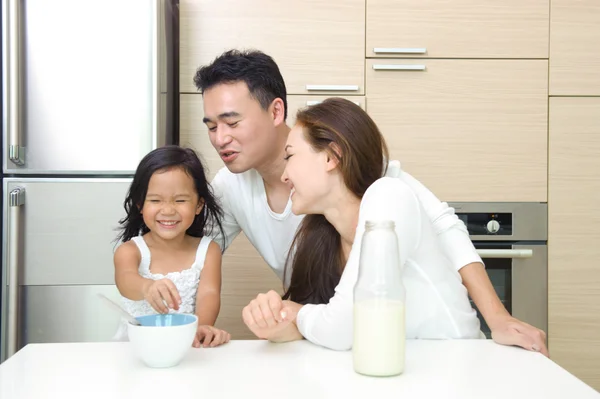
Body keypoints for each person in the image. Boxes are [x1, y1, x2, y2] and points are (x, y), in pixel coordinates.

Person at [193, 49, 548, 355]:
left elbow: (444, 225)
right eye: (211, 127)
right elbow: (190, 254)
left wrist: (497, 317)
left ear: (275, 112)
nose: (220, 139)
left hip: (383, 336)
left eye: (231, 122)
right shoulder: (229, 187)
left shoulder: (367, 180)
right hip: (341, 334)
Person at [242, 98, 485, 348]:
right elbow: (338, 327)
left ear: (332, 156)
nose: (283, 176)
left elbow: (338, 331)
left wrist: (297, 312)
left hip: (460, 365)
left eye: (290, 156)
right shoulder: (324, 239)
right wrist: (278, 323)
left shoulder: (389, 196)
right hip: (403, 372)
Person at [113, 145, 231, 348]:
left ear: (199, 205)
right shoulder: (130, 251)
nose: (168, 210)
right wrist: (146, 287)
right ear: (140, 205)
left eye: (180, 200)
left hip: (185, 346)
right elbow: (125, 281)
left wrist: (203, 327)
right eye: (156, 200)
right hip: (136, 348)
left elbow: (209, 294)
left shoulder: (208, 251)